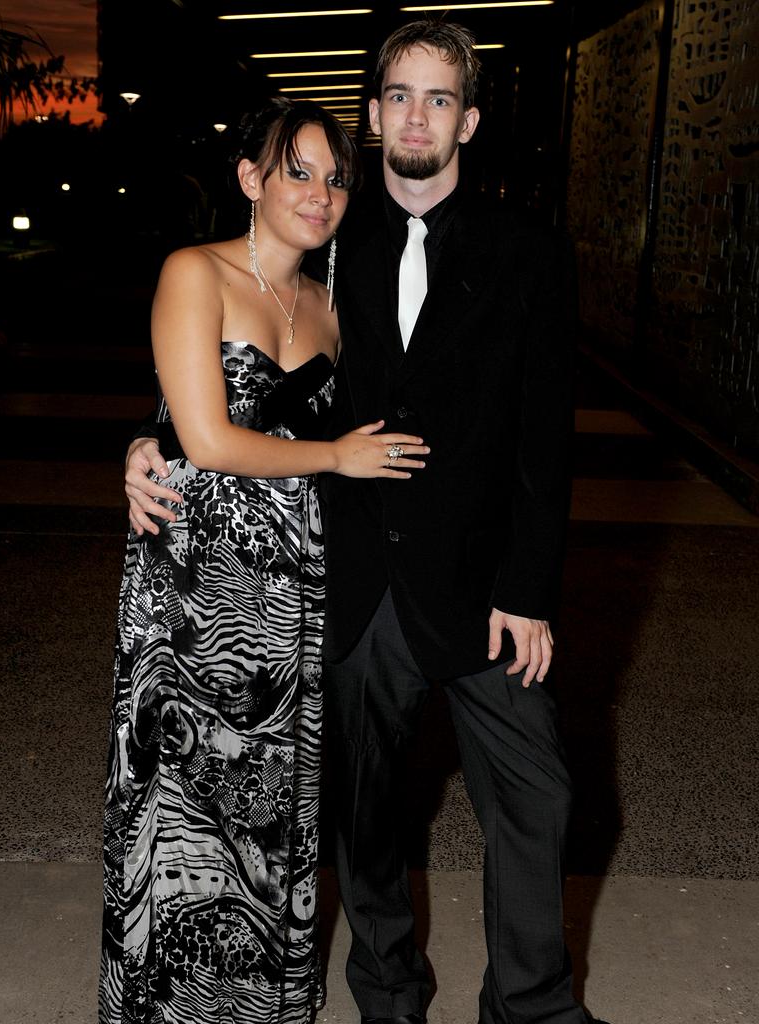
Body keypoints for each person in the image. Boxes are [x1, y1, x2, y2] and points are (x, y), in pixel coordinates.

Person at [124, 21, 614, 1024]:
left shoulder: (531, 253)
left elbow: (543, 440)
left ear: (469, 120)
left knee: (542, 796)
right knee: (369, 819)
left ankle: (532, 1004)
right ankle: (389, 996)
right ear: (376, 112)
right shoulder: (329, 236)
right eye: (399, 96)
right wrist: (148, 437)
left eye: (440, 99)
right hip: (352, 585)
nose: (417, 117)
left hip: (483, 587)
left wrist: (529, 591)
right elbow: (252, 367)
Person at [100, 97, 429, 1024]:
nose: (321, 193)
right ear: (250, 179)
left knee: (268, 811)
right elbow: (203, 436)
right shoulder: (192, 273)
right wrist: (148, 444)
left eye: (335, 178)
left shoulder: (333, 305)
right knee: (185, 805)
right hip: (192, 588)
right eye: (299, 171)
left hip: (292, 591)